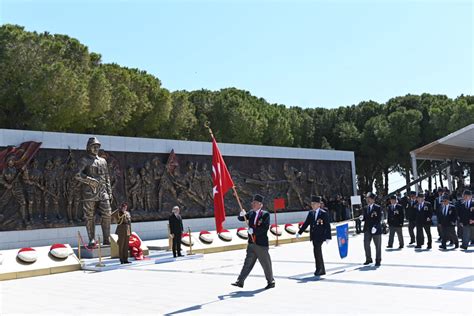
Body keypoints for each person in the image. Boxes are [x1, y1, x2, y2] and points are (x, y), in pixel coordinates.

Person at [75, 137, 113, 246]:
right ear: (88, 148)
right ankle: (91, 239)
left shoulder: (103, 161)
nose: (96, 148)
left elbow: (107, 177)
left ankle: (106, 238)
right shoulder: (84, 160)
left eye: (97, 146)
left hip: (103, 191)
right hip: (89, 192)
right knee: (89, 216)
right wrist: (89, 180)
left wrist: (109, 192)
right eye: (93, 146)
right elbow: (77, 174)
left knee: (107, 213)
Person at [231, 194, 275, 289]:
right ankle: (240, 281)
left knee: (265, 263)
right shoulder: (251, 213)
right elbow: (242, 218)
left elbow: (264, 228)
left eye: (255, 203)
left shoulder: (265, 214)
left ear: (260, 205)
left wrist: (254, 231)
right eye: (253, 203)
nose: (253, 204)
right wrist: (241, 214)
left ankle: (271, 281)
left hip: (261, 244)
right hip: (251, 243)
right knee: (247, 263)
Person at [296, 195, 331, 276]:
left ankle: (320, 269)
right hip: (313, 236)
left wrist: (328, 237)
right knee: (316, 252)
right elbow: (306, 223)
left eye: (314, 204)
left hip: (320, 236)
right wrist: (299, 232)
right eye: (312, 204)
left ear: (319, 204)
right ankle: (320, 269)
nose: (312, 205)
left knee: (317, 251)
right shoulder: (311, 213)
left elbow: (327, 226)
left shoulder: (323, 213)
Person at [360, 192, 382, 266]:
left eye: (369, 198)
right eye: (367, 198)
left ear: (373, 200)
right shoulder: (366, 208)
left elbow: (379, 219)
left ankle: (378, 259)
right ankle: (368, 259)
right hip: (367, 229)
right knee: (366, 244)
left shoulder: (377, 207)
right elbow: (366, 218)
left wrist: (375, 227)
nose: (367, 200)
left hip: (375, 229)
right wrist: (362, 218)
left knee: (377, 246)